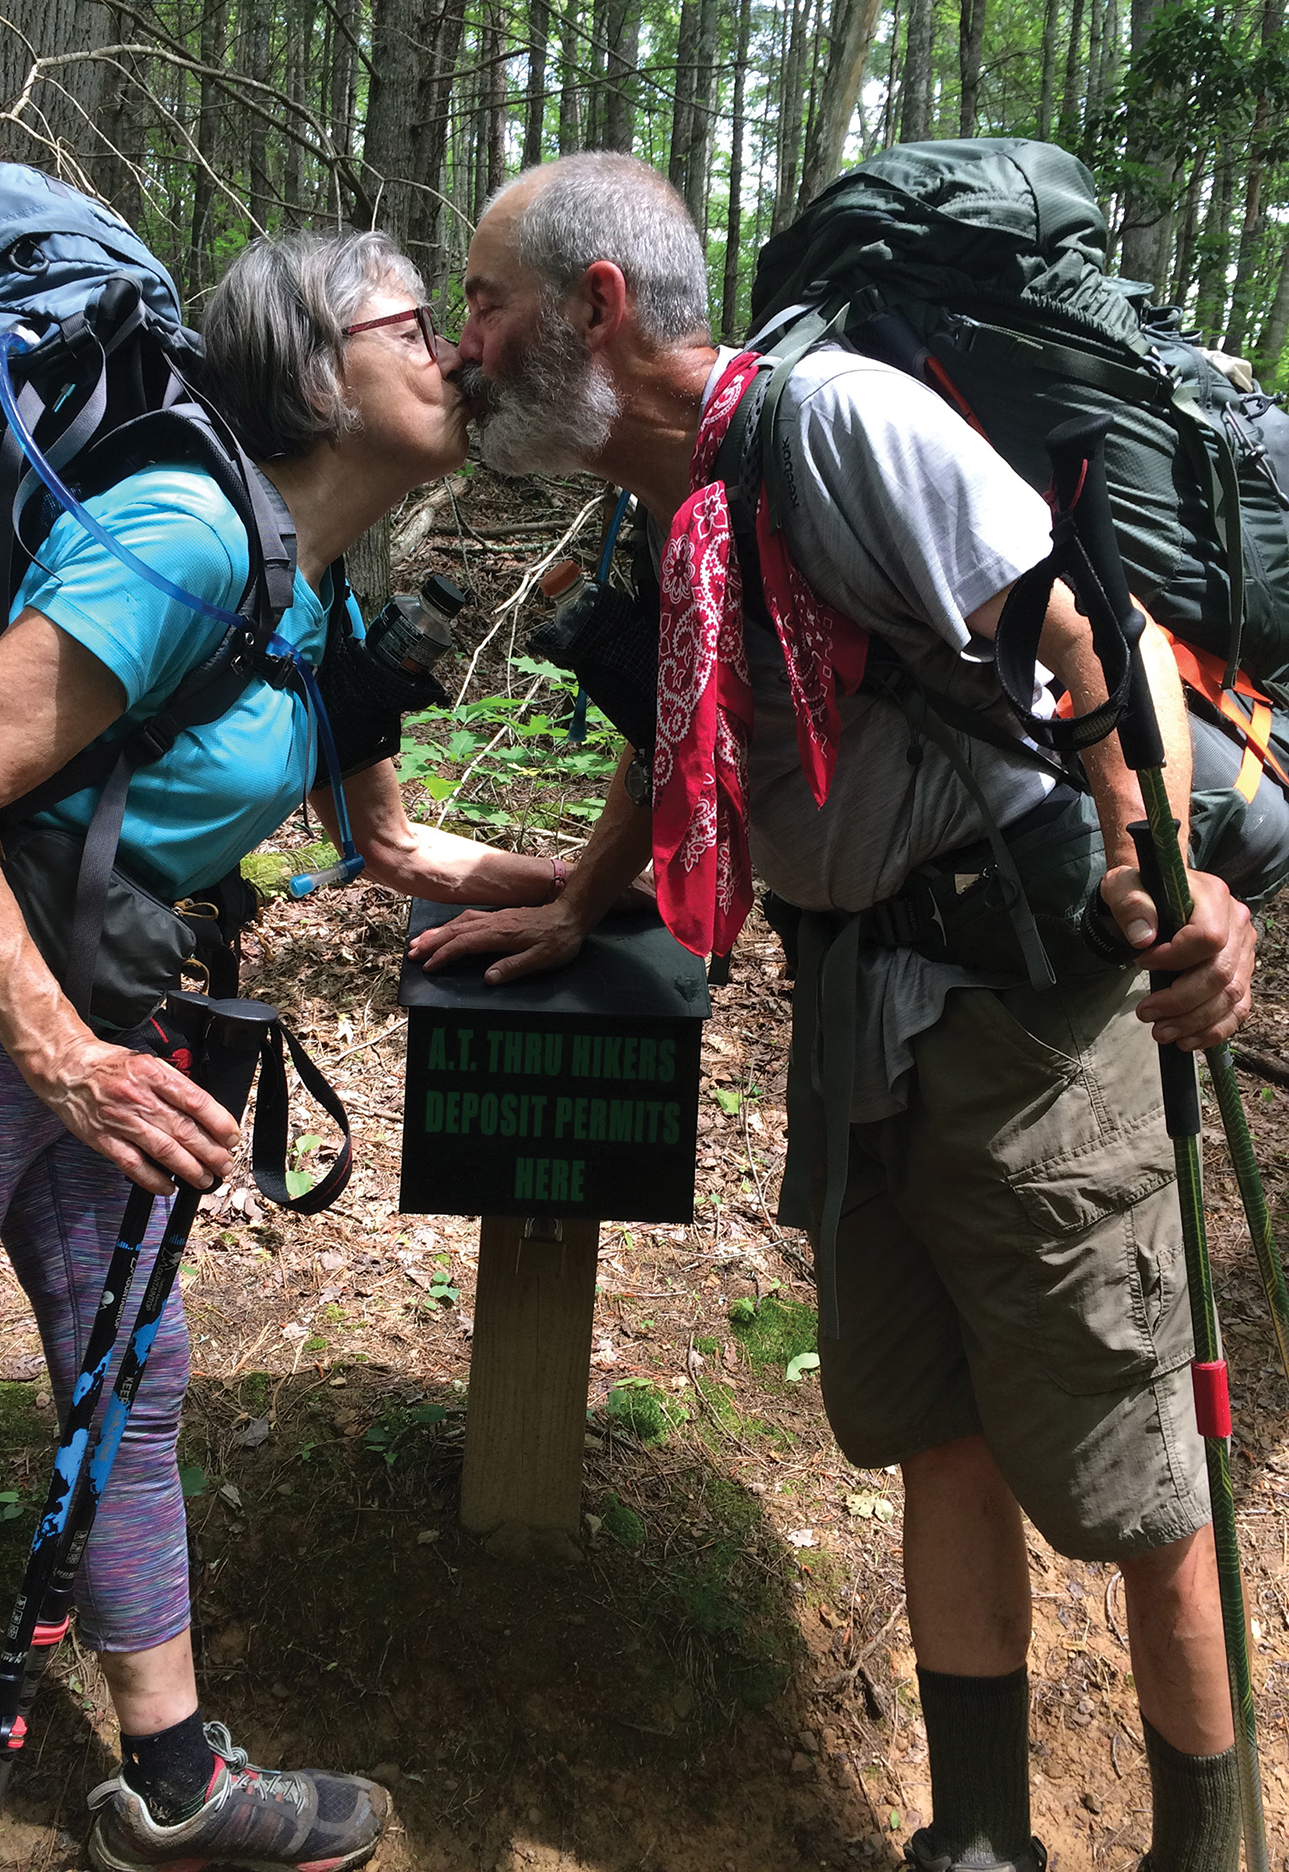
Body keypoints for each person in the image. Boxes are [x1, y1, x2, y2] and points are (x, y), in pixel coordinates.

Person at [410, 154, 1258, 1872]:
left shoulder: (838, 424)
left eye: (486, 303)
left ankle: (1204, 1846)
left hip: (1028, 1029)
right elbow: (691, 708)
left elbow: (1090, 636)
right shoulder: (675, 494)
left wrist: (1165, 881)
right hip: (861, 1015)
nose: (461, 344)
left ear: (599, 307)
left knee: (1132, 1484)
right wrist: (585, 891)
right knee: (931, 1423)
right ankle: (981, 1836)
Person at [0, 228, 570, 1872]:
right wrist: (61, 1058)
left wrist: (630, 888)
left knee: (133, 1377)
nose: (459, 355)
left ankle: (176, 1782)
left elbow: (398, 851)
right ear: (316, 369)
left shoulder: (319, 583)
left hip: (106, 1019)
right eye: (422, 324)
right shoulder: (186, 537)